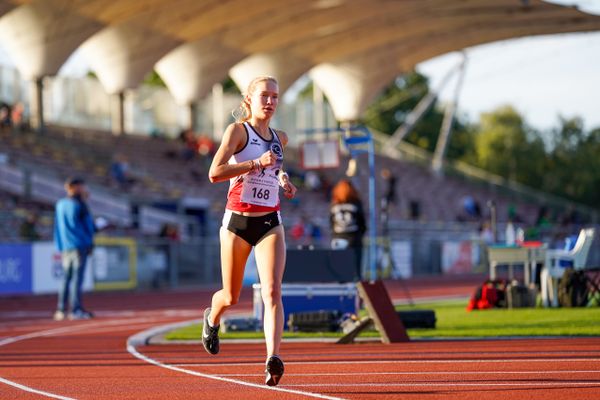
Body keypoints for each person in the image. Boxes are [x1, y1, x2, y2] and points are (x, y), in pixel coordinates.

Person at [203, 76, 297, 387]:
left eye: (275, 96)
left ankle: (273, 358)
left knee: (272, 291)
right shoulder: (237, 132)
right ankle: (212, 318)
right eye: (264, 96)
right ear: (249, 99)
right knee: (231, 296)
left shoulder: (279, 137)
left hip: (270, 220)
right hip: (238, 222)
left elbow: (276, 167)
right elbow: (215, 173)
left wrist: (283, 180)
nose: (270, 102)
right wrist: (255, 163)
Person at [53, 177, 96, 321]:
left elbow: (57, 227)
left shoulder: (60, 204)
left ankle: (61, 309)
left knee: (66, 277)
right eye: (82, 186)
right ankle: (76, 309)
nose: (84, 189)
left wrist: (59, 245)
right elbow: (89, 226)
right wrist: (89, 243)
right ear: (76, 187)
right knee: (77, 278)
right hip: (79, 245)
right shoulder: (79, 204)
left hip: (65, 246)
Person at [329, 179, 367, 280]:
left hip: (338, 238)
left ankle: (341, 289)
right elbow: (362, 222)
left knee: (339, 268)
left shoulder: (335, 204)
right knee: (356, 269)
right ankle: (357, 289)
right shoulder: (356, 203)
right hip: (354, 238)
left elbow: (331, 223)